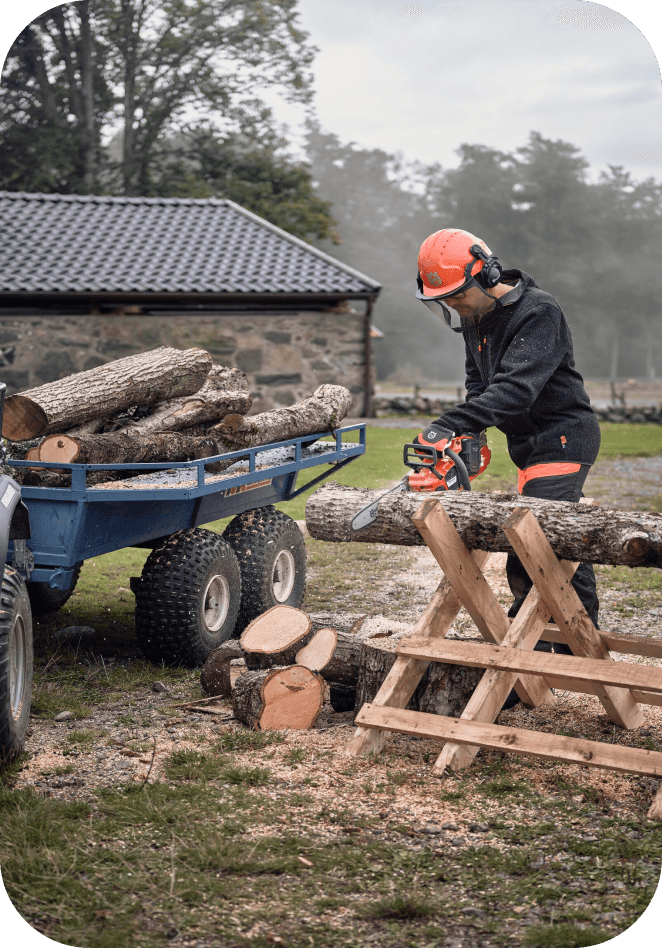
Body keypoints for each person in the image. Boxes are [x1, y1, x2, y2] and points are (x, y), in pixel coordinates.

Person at [414, 228, 602, 704]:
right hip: (527, 443)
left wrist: (446, 424)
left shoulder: (539, 311)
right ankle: (573, 641)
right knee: (552, 537)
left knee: (533, 542)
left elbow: (517, 389)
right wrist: (468, 434)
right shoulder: (476, 321)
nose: (455, 306)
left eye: (458, 295)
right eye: (446, 300)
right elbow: (481, 388)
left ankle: (542, 650)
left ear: (487, 272)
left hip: (562, 436)